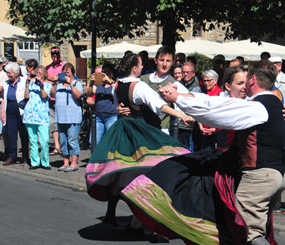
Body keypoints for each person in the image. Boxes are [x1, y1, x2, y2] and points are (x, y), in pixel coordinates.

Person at [122, 59, 285, 245]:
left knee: (246, 228)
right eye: (236, 82)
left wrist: (180, 98)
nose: (242, 86)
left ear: (252, 81)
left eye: (244, 81)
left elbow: (215, 111)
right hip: (254, 171)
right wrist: (182, 97)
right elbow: (215, 105)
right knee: (231, 222)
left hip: (255, 173)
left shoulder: (257, 107)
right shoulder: (265, 104)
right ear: (228, 84)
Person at [85, 53, 192, 228]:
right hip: (140, 132)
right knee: (151, 172)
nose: (143, 67)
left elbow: (117, 100)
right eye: (141, 65)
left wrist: (120, 108)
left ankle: (111, 214)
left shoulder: (117, 83)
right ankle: (145, 219)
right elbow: (159, 107)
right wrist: (180, 113)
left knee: (122, 171)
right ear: (134, 68)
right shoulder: (140, 86)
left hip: (122, 131)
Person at [50, 63, 84, 172]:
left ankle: (74, 163)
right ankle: (65, 162)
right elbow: (52, 94)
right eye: (64, 72)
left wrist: (71, 84)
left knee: (72, 140)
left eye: (68, 72)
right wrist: (55, 83)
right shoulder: (59, 85)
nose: (66, 74)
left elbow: (78, 95)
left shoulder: (76, 83)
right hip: (61, 117)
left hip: (73, 117)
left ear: (72, 73)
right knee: (63, 141)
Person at [24, 66, 53, 170]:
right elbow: (26, 96)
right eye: (36, 72)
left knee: (44, 140)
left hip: (42, 117)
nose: (38, 74)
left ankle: (45, 162)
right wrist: (27, 84)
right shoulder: (31, 83)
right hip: (30, 115)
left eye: (40, 72)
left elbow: (45, 96)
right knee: (33, 141)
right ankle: (34, 162)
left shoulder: (48, 85)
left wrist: (40, 85)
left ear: (44, 74)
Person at [0, 62, 29, 166]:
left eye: (10, 73)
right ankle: (12, 156)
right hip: (10, 111)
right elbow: (3, 98)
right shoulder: (6, 84)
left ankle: (26, 156)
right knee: (11, 135)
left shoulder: (24, 81)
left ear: (16, 73)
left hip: (21, 111)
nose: (8, 75)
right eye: (7, 73)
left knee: (24, 135)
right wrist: (2, 112)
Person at [86, 62, 117, 149]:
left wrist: (110, 82)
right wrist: (91, 83)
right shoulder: (98, 84)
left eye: (108, 72)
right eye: (104, 72)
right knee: (94, 142)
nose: (105, 74)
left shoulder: (114, 84)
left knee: (111, 142)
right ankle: (96, 161)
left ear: (111, 73)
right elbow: (89, 93)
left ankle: (109, 161)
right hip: (98, 116)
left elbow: (118, 93)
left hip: (111, 116)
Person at [46, 46, 66, 156]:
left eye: (57, 53)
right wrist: (54, 78)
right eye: (52, 53)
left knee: (62, 122)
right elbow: (45, 77)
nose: (54, 55)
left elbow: (63, 77)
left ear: (60, 54)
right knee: (53, 123)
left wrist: (52, 78)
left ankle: (64, 146)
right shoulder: (48, 67)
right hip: (50, 98)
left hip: (61, 97)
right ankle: (56, 146)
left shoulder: (64, 65)